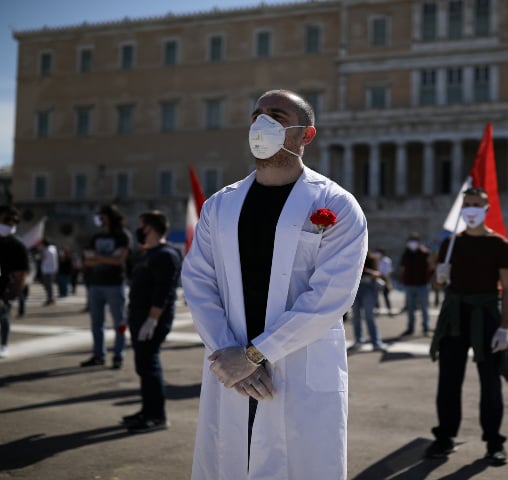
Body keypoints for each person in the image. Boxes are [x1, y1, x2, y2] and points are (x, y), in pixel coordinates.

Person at [182, 89, 368, 480]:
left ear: (307, 135)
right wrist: (228, 352)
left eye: (277, 116)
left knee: (298, 464)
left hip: (295, 364)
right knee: (229, 459)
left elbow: (330, 298)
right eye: (256, 115)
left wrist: (254, 355)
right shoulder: (220, 205)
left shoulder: (337, 205)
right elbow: (199, 282)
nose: (261, 124)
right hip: (231, 364)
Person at [427, 187, 508, 466]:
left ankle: (493, 442)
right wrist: (439, 278)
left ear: (487, 209)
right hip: (455, 314)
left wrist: (504, 328)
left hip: (486, 314)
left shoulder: (499, 244)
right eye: (467, 204)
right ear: (461, 209)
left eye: (477, 204)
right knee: (449, 380)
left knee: (490, 382)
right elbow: (439, 285)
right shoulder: (451, 243)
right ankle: (445, 437)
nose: (472, 209)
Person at [121, 211, 182, 433]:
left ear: (150, 228)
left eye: (140, 225)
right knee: (143, 366)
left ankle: (157, 416)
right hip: (139, 317)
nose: (138, 229)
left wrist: (152, 320)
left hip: (152, 320)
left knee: (149, 365)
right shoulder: (147, 253)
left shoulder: (166, 254)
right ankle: (147, 410)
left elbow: (163, 291)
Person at [81, 204, 131, 369]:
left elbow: (119, 260)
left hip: (114, 284)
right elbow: (87, 260)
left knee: (119, 322)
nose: (100, 219)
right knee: (96, 323)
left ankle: (118, 355)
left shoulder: (122, 236)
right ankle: (98, 355)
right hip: (96, 283)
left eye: (102, 215)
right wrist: (104, 258)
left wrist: (97, 258)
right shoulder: (96, 237)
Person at [0, 206, 30, 358]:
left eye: (14, 221)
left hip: (4, 286)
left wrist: (12, 294)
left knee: (3, 316)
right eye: (6, 220)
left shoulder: (18, 246)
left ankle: (3, 344)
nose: (10, 224)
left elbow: (22, 273)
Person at [350, 252, 387, 351]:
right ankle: (359, 340)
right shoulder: (352, 257)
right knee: (356, 316)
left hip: (368, 288)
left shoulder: (371, 259)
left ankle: (376, 342)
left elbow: (377, 273)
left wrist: (368, 271)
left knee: (369, 316)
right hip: (355, 288)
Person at [399, 232, 432, 336]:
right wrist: (402, 279)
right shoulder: (406, 253)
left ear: (419, 242)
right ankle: (410, 328)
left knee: (424, 307)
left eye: (414, 241)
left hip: (422, 284)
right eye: (411, 241)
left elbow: (431, 266)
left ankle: (426, 327)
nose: (412, 243)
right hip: (409, 284)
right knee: (410, 308)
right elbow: (402, 268)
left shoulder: (425, 253)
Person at [40, 239, 58, 306]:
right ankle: (51, 299)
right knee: (49, 286)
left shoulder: (46, 250)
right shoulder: (53, 249)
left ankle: (50, 299)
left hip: (47, 270)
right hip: (51, 270)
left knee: (48, 286)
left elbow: (43, 257)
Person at [375, 248, 394, 314]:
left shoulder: (387, 260)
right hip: (376, 278)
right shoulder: (375, 260)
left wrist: (384, 277)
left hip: (385, 279)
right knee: (376, 295)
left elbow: (388, 271)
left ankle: (389, 309)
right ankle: (377, 309)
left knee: (385, 295)